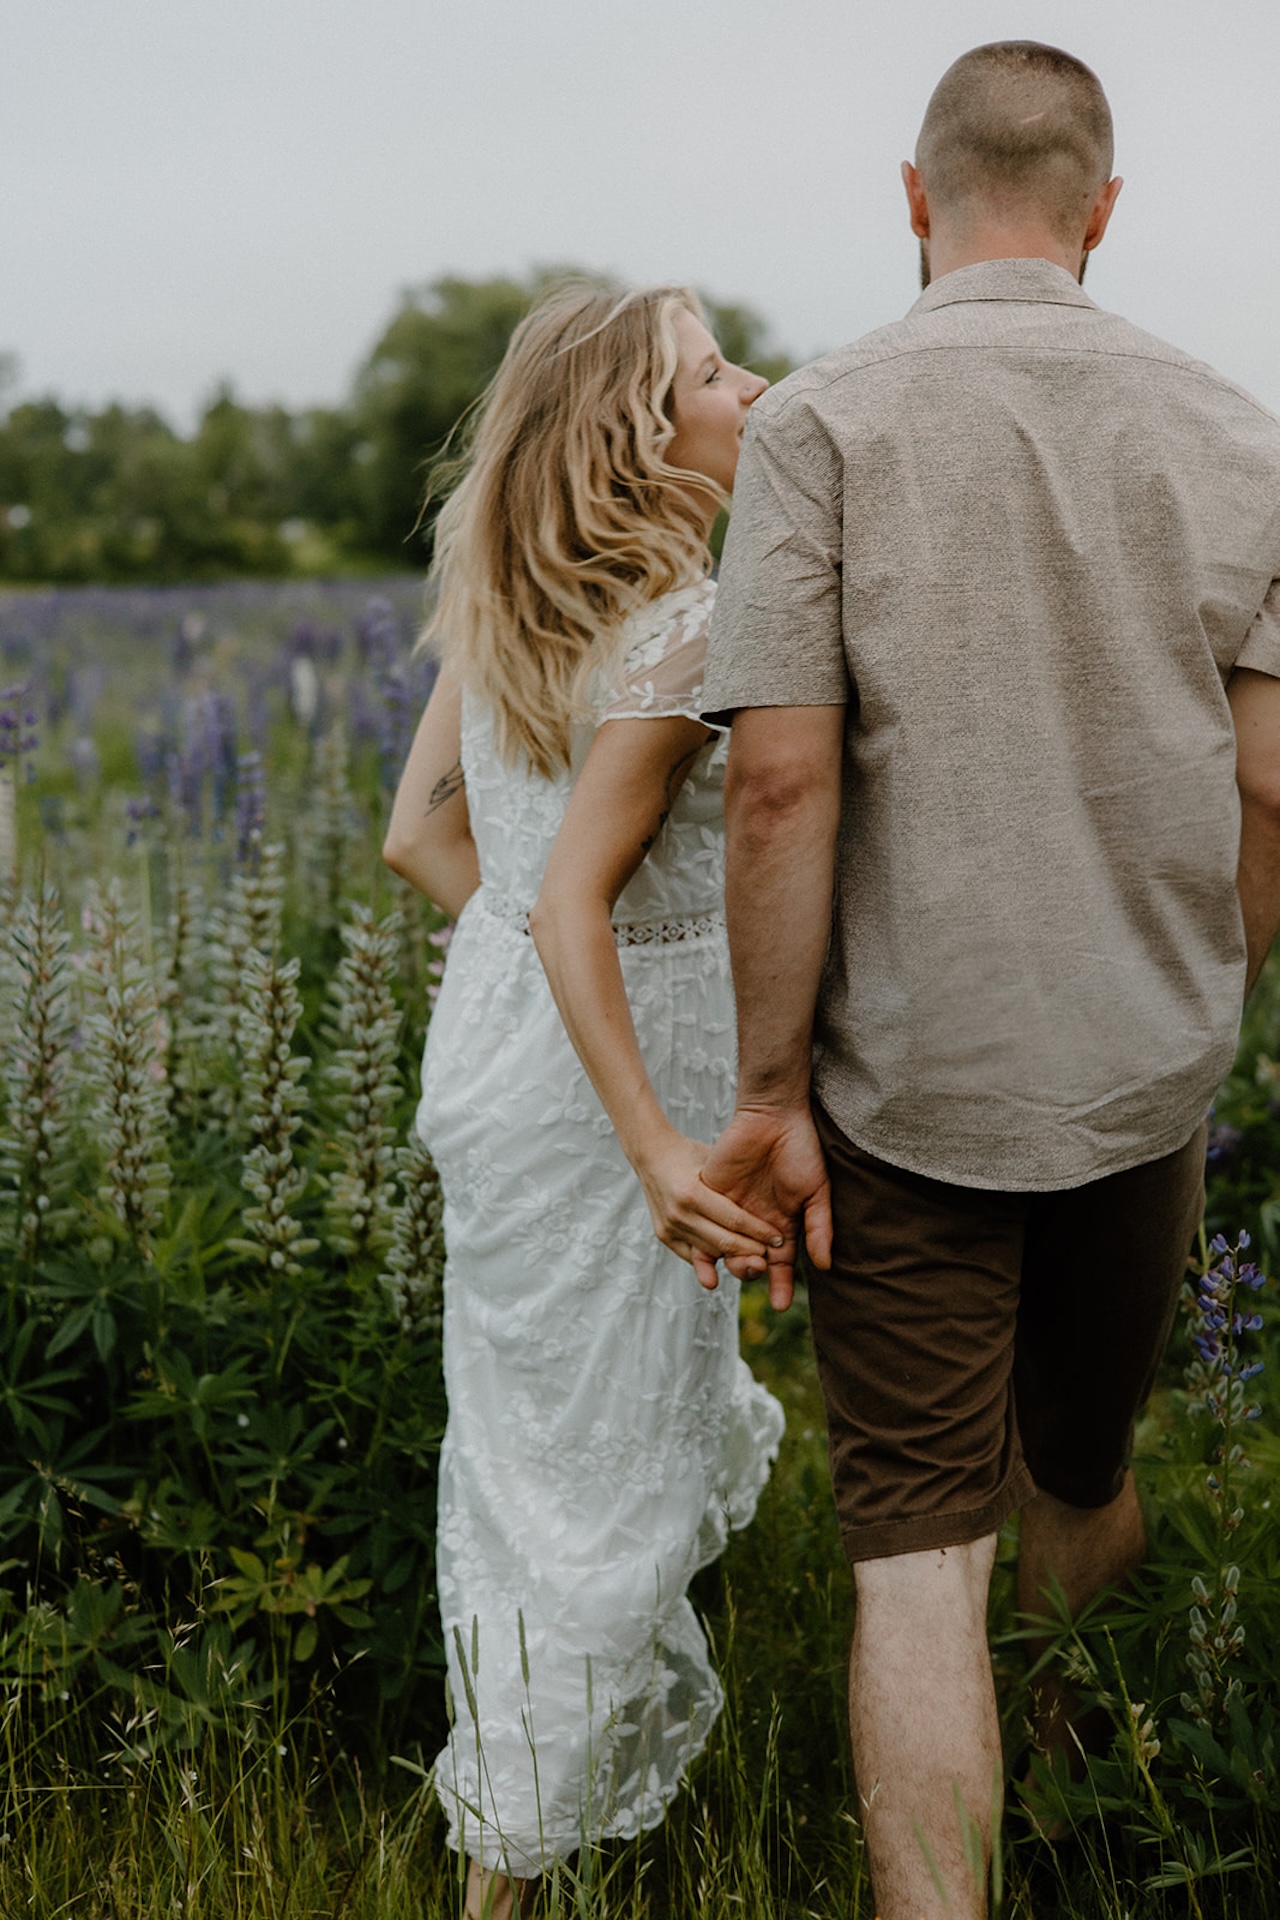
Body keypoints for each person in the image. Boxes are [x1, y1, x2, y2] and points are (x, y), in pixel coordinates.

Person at [697, 40, 1280, 1920]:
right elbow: (1271, 781)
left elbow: (778, 779)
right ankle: (1093, 1796)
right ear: (1104, 210)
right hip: (1144, 1071)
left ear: (914, 195)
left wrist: (771, 1100)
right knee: (1085, 1467)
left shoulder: (820, 426)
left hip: (905, 1091)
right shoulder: (1242, 436)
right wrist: (1205, 978)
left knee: (914, 1556)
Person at [383, 282, 783, 1920]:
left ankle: (522, 1819)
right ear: (642, 433)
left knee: (528, 1465)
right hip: (624, 1087)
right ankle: (507, 1886)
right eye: (710, 373)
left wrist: (533, 1022)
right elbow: (572, 905)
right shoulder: (684, 626)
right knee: (595, 1496)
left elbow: (427, 844)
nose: (747, 386)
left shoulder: (510, 601)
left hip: (504, 1065)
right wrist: (653, 1141)